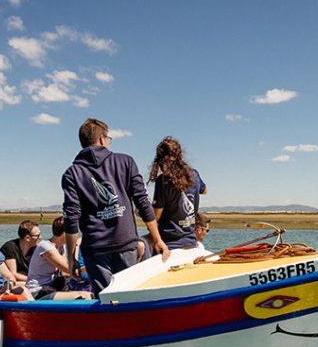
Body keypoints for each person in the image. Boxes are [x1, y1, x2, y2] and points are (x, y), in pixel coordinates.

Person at [62, 118, 169, 296]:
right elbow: (142, 202)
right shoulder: (125, 162)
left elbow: (71, 218)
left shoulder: (72, 173)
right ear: (103, 140)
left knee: (106, 301)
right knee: (129, 297)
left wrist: (71, 257)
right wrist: (157, 239)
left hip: (95, 248)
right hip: (125, 243)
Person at [149, 136, 207, 250]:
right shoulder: (193, 174)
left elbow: (155, 217)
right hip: (190, 241)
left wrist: (143, 212)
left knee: (142, 244)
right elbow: (205, 190)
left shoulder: (163, 181)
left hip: (169, 244)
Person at [25, 216, 93, 300]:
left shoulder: (62, 248)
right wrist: (77, 245)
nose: (76, 235)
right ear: (65, 234)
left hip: (53, 288)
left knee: (92, 292)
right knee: (85, 296)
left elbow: (68, 274)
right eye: (73, 232)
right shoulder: (46, 247)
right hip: (38, 291)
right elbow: (70, 270)